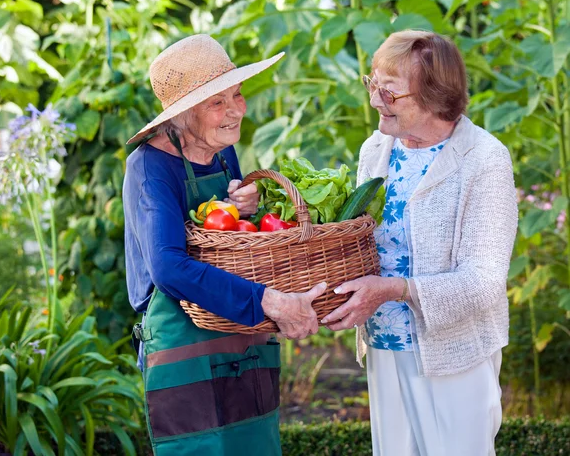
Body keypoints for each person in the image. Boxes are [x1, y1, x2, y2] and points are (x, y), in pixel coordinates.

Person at [123, 35, 325, 456]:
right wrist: (268, 301)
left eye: (237, 94)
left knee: (256, 444)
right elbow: (168, 268)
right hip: (184, 338)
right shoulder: (150, 166)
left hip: (240, 331)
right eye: (218, 102)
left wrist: (239, 205)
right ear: (182, 114)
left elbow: (225, 233)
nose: (236, 111)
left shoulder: (222, 150)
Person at [321, 30, 518, 456]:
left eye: (389, 93)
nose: (375, 101)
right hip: (384, 343)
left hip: (454, 354)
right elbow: (359, 239)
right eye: (372, 85)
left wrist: (395, 290)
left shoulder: (484, 159)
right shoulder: (377, 148)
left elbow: (483, 282)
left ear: (434, 95)